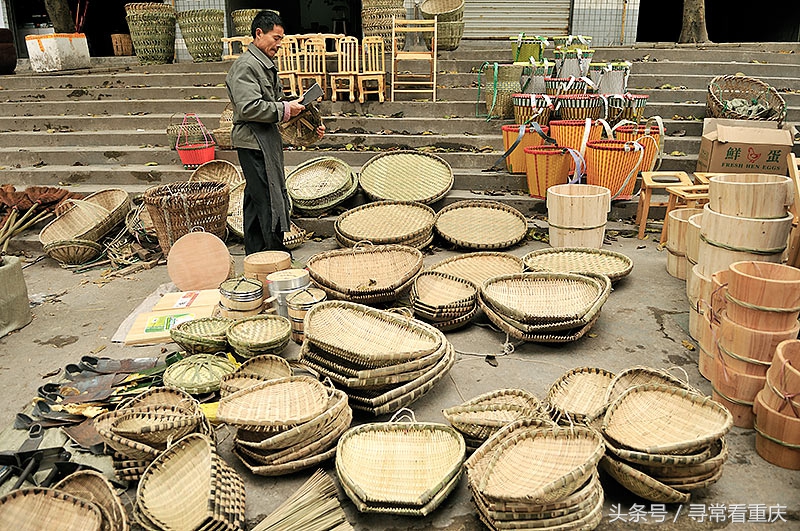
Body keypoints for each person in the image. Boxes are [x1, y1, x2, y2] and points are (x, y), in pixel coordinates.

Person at [225, 10, 324, 255]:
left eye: (281, 39)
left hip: (265, 140)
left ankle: (256, 257)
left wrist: (304, 113)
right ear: (258, 34)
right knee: (269, 201)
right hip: (253, 142)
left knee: (255, 200)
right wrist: (284, 108)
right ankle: (277, 258)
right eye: (275, 38)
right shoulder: (246, 67)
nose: (279, 44)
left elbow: (276, 103)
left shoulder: (263, 65)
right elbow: (249, 108)